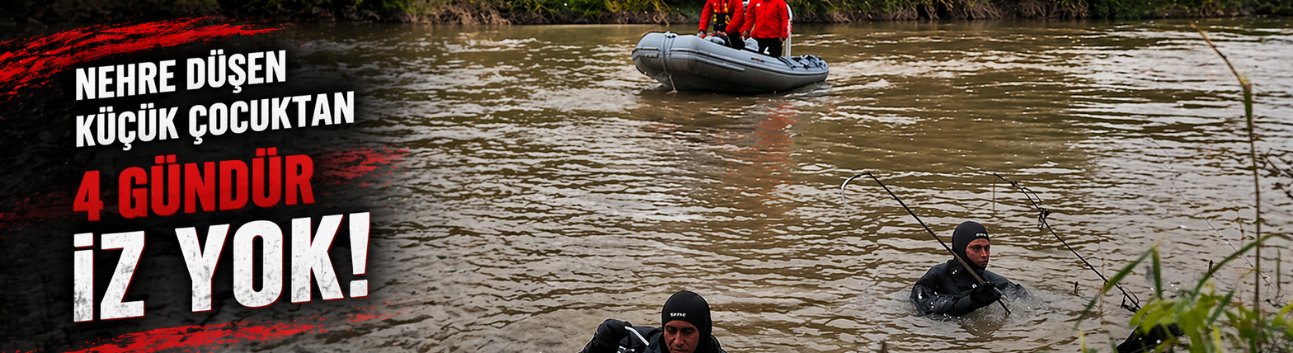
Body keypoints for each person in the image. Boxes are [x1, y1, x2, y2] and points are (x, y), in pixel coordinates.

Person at [909, 221, 1026, 316]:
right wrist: (971, 301)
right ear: (959, 250)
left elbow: (1026, 303)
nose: (984, 254)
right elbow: (926, 306)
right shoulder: (936, 277)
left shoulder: (997, 283)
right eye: (976, 248)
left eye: (987, 248)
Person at [580, 290, 728, 353]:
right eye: (670, 330)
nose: (677, 341)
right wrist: (596, 348)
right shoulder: (633, 344)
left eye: (687, 332)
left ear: (703, 333)